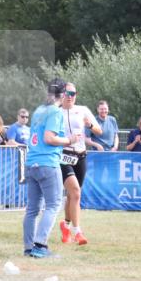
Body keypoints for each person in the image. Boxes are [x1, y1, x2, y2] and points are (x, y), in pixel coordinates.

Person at [23, 79, 79, 259]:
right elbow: (49, 138)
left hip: (31, 163)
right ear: (62, 95)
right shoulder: (55, 111)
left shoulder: (39, 110)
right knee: (53, 205)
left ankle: (28, 248)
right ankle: (40, 246)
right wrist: (69, 140)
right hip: (47, 163)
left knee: (32, 209)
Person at [57, 82, 101, 246]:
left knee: (72, 195)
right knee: (75, 192)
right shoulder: (56, 112)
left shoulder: (82, 110)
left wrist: (88, 124)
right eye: (67, 93)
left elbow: (98, 130)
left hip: (81, 156)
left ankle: (66, 225)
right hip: (63, 156)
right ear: (62, 94)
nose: (70, 96)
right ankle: (78, 232)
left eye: (73, 93)